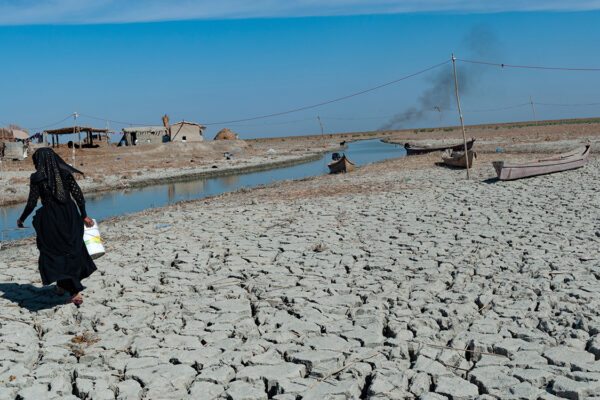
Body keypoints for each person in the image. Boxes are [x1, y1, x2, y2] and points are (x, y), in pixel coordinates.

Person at [17, 148, 97, 305]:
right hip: (70, 215)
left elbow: (32, 202)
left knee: (54, 252)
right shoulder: (65, 172)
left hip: (51, 218)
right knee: (71, 250)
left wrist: (22, 218)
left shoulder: (37, 177)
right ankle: (61, 286)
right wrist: (83, 215)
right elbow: (78, 195)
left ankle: (74, 293)